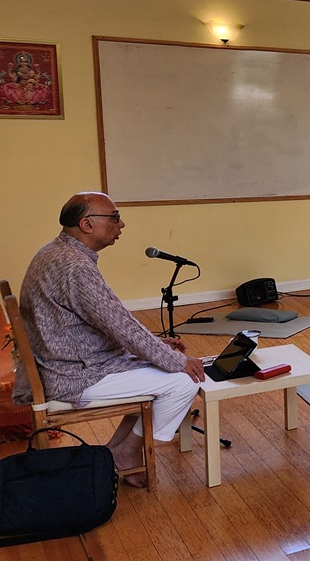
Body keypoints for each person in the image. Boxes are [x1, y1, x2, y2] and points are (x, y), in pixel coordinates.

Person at [12, 192, 204, 487]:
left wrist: (155, 346)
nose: (121, 223)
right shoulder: (75, 267)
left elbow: (110, 322)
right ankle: (127, 454)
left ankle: (113, 452)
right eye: (114, 217)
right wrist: (177, 361)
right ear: (87, 224)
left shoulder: (55, 252)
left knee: (160, 368)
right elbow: (121, 326)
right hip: (73, 375)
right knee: (184, 381)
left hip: (63, 362)